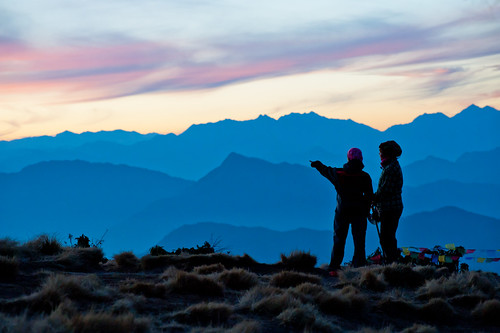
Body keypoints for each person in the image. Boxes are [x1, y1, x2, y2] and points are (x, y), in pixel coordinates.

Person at [311, 148, 373, 275]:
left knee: (339, 239)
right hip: (359, 212)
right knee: (359, 241)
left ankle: (334, 267)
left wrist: (318, 165)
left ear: (348, 159)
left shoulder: (339, 174)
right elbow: (369, 196)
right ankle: (359, 267)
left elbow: (326, 171)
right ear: (361, 159)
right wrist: (367, 212)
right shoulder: (365, 176)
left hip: (342, 211)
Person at [372, 140, 403, 264]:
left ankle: (391, 262)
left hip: (390, 208)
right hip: (392, 207)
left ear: (386, 153)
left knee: (386, 237)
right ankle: (391, 261)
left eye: (380, 152)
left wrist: (372, 198)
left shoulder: (390, 169)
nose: (379, 154)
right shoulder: (391, 166)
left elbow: (385, 191)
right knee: (388, 236)